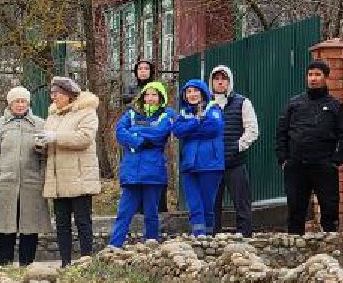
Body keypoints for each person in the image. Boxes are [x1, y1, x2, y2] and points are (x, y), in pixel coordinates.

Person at [275, 59, 343, 235]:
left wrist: (336, 160)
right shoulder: (294, 104)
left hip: (324, 165)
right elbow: (281, 132)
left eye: (317, 75)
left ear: (325, 78)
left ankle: (331, 246)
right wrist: (284, 159)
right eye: (310, 75)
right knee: (295, 209)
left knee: (329, 209)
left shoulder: (335, 106)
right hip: (296, 166)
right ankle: (294, 246)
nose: (313, 79)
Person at [0, 86, 51, 268]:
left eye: (23, 101)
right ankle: (5, 266)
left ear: (28, 103)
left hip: (31, 183)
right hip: (5, 183)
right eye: (17, 101)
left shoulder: (39, 124)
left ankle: (26, 266)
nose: (20, 105)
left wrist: (41, 175)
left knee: (29, 227)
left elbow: (47, 155)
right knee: (6, 227)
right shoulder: (0, 124)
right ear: (10, 103)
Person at [38, 77, 101, 266]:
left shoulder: (86, 113)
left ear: (68, 95)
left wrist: (56, 137)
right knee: (62, 223)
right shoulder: (53, 115)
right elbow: (51, 143)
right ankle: (65, 262)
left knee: (83, 221)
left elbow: (84, 138)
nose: (53, 97)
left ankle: (86, 260)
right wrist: (41, 144)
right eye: (52, 94)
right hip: (58, 178)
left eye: (56, 94)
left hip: (79, 177)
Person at [110, 81, 172, 247]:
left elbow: (159, 133)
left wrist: (134, 132)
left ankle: (151, 247)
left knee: (151, 213)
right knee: (123, 213)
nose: (150, 98)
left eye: (154, 95)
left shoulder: (166, 114)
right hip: (131, 172)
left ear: (160, 98)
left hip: (153, 172)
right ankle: (113, 247)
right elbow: (120, 132)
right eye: (147, 94)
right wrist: (139, 141)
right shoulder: (131, 113)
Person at [208, 65, 259, 237]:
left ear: (229, 81)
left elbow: (252, 130)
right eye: (217, 78)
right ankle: (212, 234)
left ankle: (244, 234)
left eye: (224, 78)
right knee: (212, 202)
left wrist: (237, 146)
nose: (220, 82)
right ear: (211, 81)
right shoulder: (205, 104)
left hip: (234, 162)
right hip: (211, 163)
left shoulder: (242, 102)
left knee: (241, 201)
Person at [171, 78, 225, 237]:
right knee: (194, 204)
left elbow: (214, 128)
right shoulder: (183, 112)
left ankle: (207, 236)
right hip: (189, 164)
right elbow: (178, 131)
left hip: (210, 164)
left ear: (202, 93)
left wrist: (190, 130)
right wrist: (197, 121)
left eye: (195, 91)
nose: (192, 94)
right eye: (188, 91)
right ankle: (198, 234)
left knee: (207, 204)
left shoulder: (213, 108)